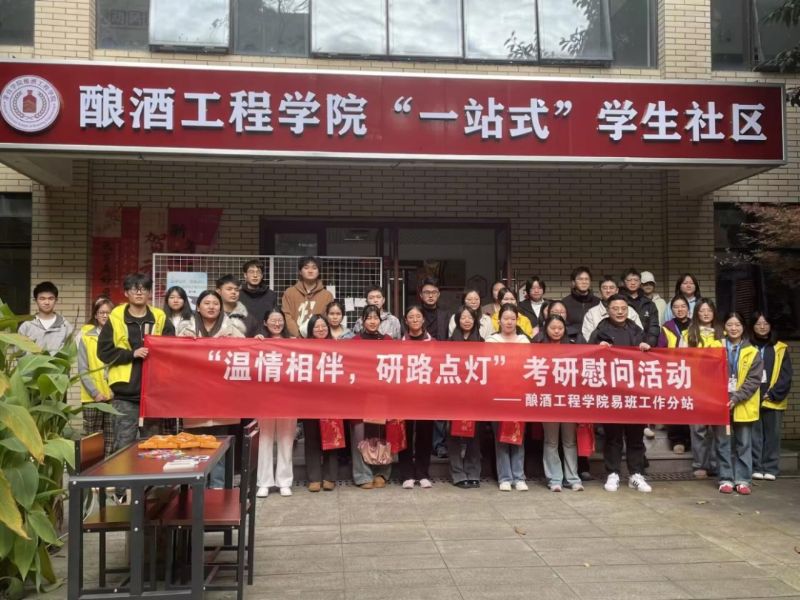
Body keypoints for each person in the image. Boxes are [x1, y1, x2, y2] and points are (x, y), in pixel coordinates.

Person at [98, 273, 175, 454]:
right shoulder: (116, 317)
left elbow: (171, 348)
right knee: (123, 445)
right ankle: (122, 474)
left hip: (154, 391)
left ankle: (150, 475)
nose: (139, 293)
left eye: (144, 289)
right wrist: (132, 354)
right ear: (126, 293)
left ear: (150, 293)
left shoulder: (160, 316)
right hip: (125, 392)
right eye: (134, 289)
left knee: (153, 445)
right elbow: (104, 352)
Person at [177, 290, 244, 488]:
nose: (211, 307)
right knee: (194, 446)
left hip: (222, 398)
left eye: (215, 303)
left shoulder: (233, 330)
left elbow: (246, 354)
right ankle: (195, 487)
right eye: (206, 303)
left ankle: (217, 487)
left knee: (220, 445)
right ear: (198, 307)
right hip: (193, 397)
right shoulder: (185, 331)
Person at [589, 294, 653, 493]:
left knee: (635, 436)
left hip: (634, 391)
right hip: (611, 392)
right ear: (608, 310)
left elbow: (649, 358)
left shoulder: (637, 330)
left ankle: (636, 474)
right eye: (615, 308)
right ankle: (613, 473)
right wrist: (597, 349)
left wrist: (647, 348)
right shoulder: (600, 331)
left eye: (623, 308)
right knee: (613, 436)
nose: (619, 312)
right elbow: (588, 357)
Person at [715, 312, 762, 495]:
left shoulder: (753, 351)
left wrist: (736, 398)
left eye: (737, 325)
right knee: (723, 443)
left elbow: (754, 380)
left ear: (743, 327)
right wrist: (720, 397)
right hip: (720, 403)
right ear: (724, 327)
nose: (733, 328)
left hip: (743, 403)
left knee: (744, 443)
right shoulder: (717, 347)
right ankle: (725, 478)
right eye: (730, 325)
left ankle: (742, 479)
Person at [536, 315, 584, 492]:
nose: (556, 331)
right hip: (548, 401)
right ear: (546, 329)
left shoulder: (573, 347)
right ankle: (554, 478)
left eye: (560, 328)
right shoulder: (538, 348)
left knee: (570, 441)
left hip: (568, 400)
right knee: (551, 441)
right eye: (552, 328)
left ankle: (572, 478)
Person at [486, 304, 529, 491]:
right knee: (500, 437)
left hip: (519, 393)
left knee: (518, 435)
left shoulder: (524, 340)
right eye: (505, 318)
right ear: (499, 320)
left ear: (517, 320)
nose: (509, 322)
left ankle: (519, 477)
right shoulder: (491, 341)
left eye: (512, 319)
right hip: (498, 394)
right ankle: (504, 477)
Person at [254, 309, 296, 498]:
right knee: (265, 439)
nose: (277, 324)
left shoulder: (293, 342)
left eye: (280, 320)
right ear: (265, 322)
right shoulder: (259, 341)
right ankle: (264, 482)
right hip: (264, 398)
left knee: (286, 439)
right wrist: (255, 343)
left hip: (288, 397)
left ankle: (284, 481)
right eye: (273, 320)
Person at [350, 305, 392, 488]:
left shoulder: (388, 341)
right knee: (360, 435)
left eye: (376, 318)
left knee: (382, 434)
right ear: (362, 320)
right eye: (369, 318)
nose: (372, 321)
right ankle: (363, 474)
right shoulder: (355, 341)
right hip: (360, 395)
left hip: (382, 395)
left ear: (380, 321)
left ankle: (382, 472)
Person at [750, 312, 792, 481]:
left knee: (772, 436)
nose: (762, 327)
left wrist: (773, 393)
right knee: (754, 436)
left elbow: (786, 375)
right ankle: (757, 467)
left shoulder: (780, 348)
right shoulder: (747, 346)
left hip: (773, 399)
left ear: (771, 326)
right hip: (752, 398)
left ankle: (771, 468)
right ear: (752, 326)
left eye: (765, 323)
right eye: (758, 323)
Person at [685, 298, 724, 479]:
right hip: (696, 388)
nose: (706, 314)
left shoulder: (723, 334)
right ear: (696, 313)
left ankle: (716, 464)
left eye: (709, 310)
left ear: (714, 313)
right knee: (698, 429)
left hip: (718, 388)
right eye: (702, 310)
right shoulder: (688, 334)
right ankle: (700, 464)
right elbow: (681, 360)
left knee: (717, 429)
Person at [447, 304, 484, 488]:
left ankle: (473, 471)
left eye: (470, 317)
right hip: (454, 394)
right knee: (454, 434)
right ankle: (457, 473)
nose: (467, 321)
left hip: (475, 395)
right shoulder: (449, 342)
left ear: (475, 320)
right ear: (457, 320)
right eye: (463, 317)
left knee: (474, 435)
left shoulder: (482, 342)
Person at [398, 305, 434, 488]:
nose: (414, 320)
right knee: (405, 434)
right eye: (411, 317)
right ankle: (406, 474)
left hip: (426, 397)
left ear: (423, 319)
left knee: (425, 434)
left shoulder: (433, 343)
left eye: (418, 316)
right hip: (404, 396)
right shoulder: (399, 343)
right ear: (405, 320)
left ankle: (423, 473)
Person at [303, 315, 340, 492]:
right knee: (311, 437)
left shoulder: (337, 346)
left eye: (323, 326)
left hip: (332, 398)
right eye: (316, 327)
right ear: (311, 330)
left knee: (332, 436)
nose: (320, 329)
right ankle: (314, 477)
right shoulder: (304, 348)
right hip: (310, 398)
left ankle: (330, 476)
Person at [77, 296, 115, 456]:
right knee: (92, 438)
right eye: (101, 312)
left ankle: (109, 468)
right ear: (95, 315)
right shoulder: (86, 337)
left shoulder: (119, 336)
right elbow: (82, 368)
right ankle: (93, 470)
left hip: (113, 395)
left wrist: (114, 390)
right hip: (91, 397)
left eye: (108, 312)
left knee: (112, 436)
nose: (105, 316)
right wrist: (95, 393)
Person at [656, 295, 693, 453]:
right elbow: (661, 349)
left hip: (693, 371)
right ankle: (677, 440)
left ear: (688, 309)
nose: (680, 309)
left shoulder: (695, 326)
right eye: (676, 307)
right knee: (675, 405)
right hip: (673, 371)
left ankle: (691, 440)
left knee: (690, 404)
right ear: (671, 310)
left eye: (683, 306)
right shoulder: (667, 327)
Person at [282, 256, 334, 338]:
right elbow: (286, 316)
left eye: (314, 268)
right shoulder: (289, 293)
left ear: (319, 272)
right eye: (306, 268)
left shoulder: (327, 295)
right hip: (294, 339)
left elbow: (328, 319)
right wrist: (298, 335)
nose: (310, 271)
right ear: (300, 271)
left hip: (318, 339)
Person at [581, 276, 642, 343]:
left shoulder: (630, 311)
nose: (608, 291)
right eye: (605, 288)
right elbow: (588, 338)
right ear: (600, 291)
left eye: (611, 288)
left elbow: (639, 335)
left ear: (617, 290)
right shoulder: (591, 313)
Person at [18, 281, 74, 352]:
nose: (47, 302)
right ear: (35, 300)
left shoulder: (65, 326)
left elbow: (71, 352)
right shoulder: (27, 326)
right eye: (42, 299)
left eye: (51, 299)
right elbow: (18, 352)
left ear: (56, 300)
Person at [621, 268, 660, 347]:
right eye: (629, 280)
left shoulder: (649, 304)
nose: (633, 283)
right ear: (624, 282)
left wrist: (649, 343)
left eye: (636, 280)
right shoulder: (618, 301)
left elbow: (654, 327)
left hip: (644, 346)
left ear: (640, 283)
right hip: (623, 345)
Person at [238, 259, 277, 326]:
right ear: (245, 275)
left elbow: (274, 317)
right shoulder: (238, 295)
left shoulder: (271, 295)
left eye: (258, 272)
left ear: (262, 275)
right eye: (251, 272)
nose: (255, 275)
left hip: (265, 332)